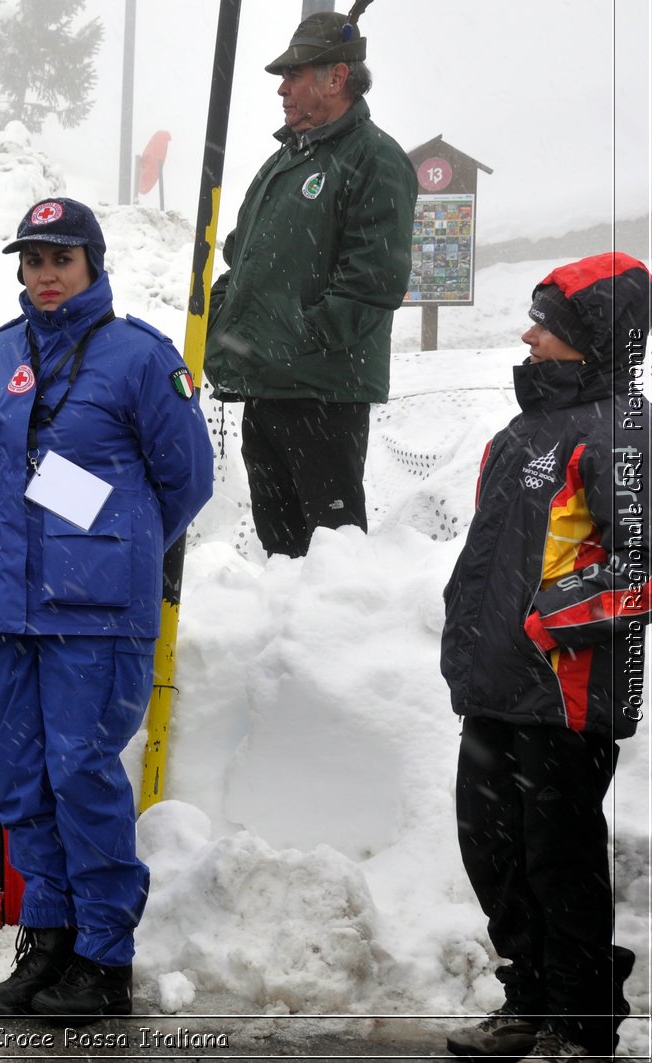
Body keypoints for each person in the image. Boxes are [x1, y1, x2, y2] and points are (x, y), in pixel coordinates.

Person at [0, 198, 214, 1020]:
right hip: (3, 608)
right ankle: (49, 941)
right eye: (32, 261)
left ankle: (104, 958)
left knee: (83, 777)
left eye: (61, 259)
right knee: (23, 781)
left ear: (93, 265)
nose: (45, 275)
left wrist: (112, 545)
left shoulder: (139, 357)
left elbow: (186, 480)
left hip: (94, 614)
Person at [441, 253, 648, 1063]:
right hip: (492, 687)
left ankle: (581, 1021)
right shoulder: (516, 433)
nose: (527, 335)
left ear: (592, 340)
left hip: (564, 694)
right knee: (492, 852)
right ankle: (528, 998)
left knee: (560, 865)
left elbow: (644, 563)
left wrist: (550, 617)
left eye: (547, 326)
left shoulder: (626, 432)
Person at [202, 4, 415, 558]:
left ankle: (337, 647)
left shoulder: (375, 160)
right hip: (266, 387)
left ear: (337, 77)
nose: (282, 89)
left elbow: (371, 285)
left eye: (293, 75)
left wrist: (293, 341)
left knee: (330, 564)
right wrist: (226, 327)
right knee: (282, 557)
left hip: (323, 397)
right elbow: (238, 259)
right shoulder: (283, 162)